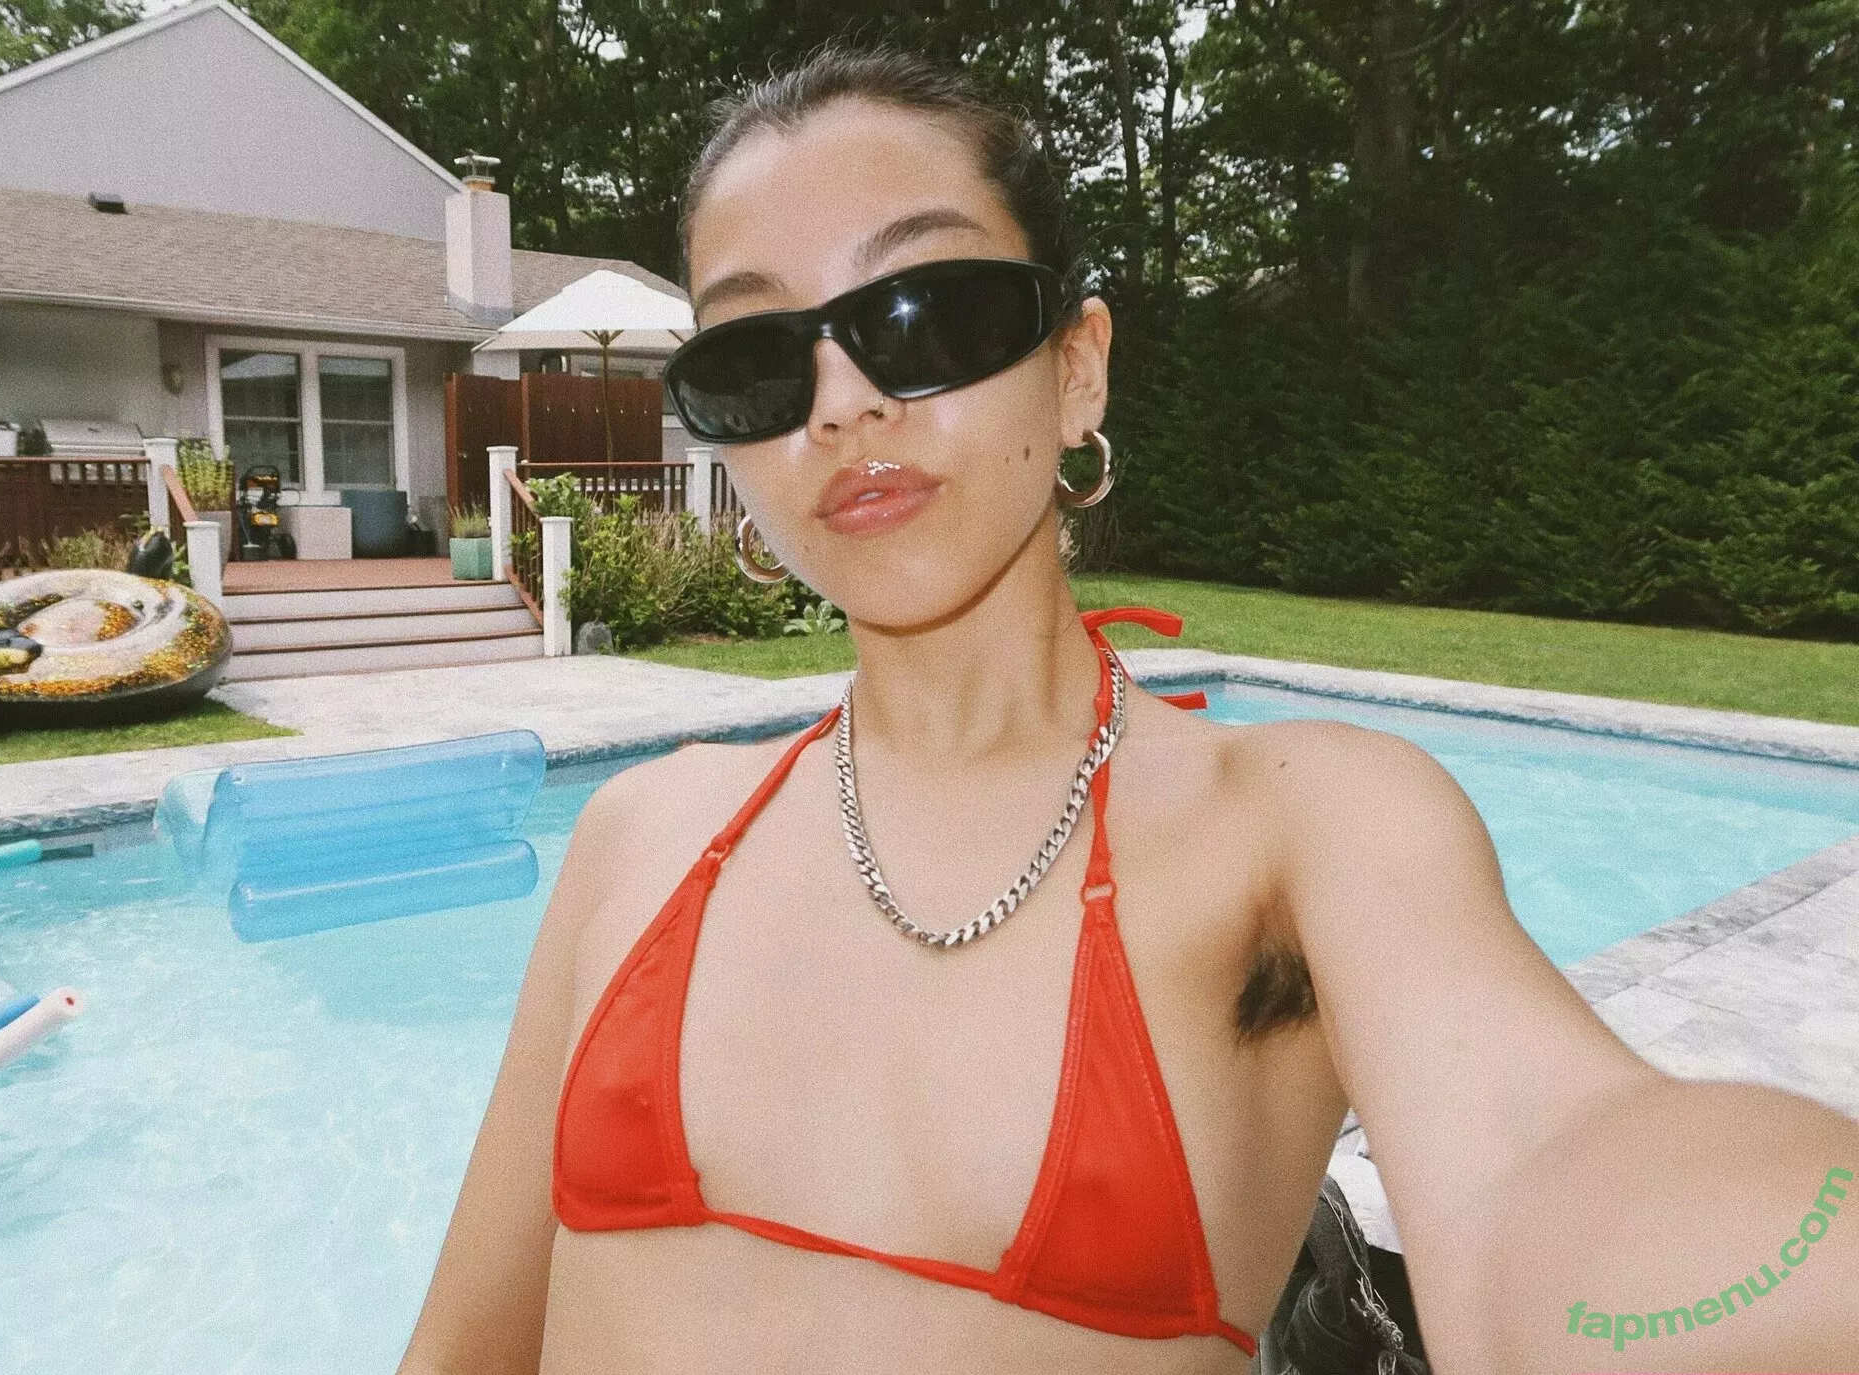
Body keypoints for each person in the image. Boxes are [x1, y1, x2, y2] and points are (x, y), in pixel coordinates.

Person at [398, 48, 1858, 1375]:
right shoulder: (641, 834)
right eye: (756, 359)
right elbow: (464, 1347)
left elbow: (1556, 1159)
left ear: (1077, 368)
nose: (839, 403)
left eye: (923, 312)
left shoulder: (1301, 829)